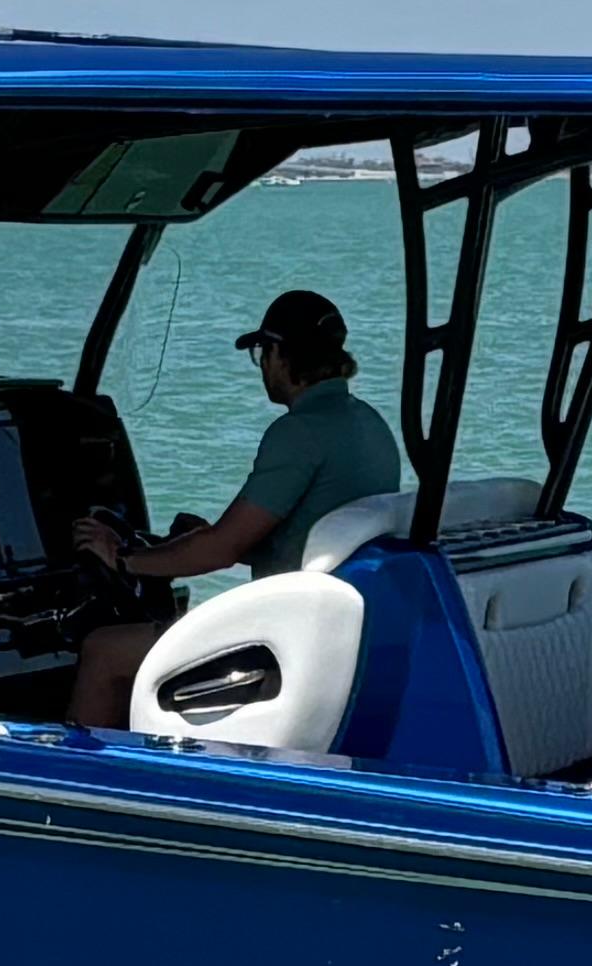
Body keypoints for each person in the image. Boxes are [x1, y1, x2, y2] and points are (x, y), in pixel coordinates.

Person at [65, 290, 409, 728]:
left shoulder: (298, 432)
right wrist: (198, 540)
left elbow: (220, 551)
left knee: (103, 649)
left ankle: (82, 784)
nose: (263, 365)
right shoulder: (368, 423)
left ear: (281, 355)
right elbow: (299, 534)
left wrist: (123, 558)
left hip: (285, 640)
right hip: (335, 631)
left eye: (263, 352)